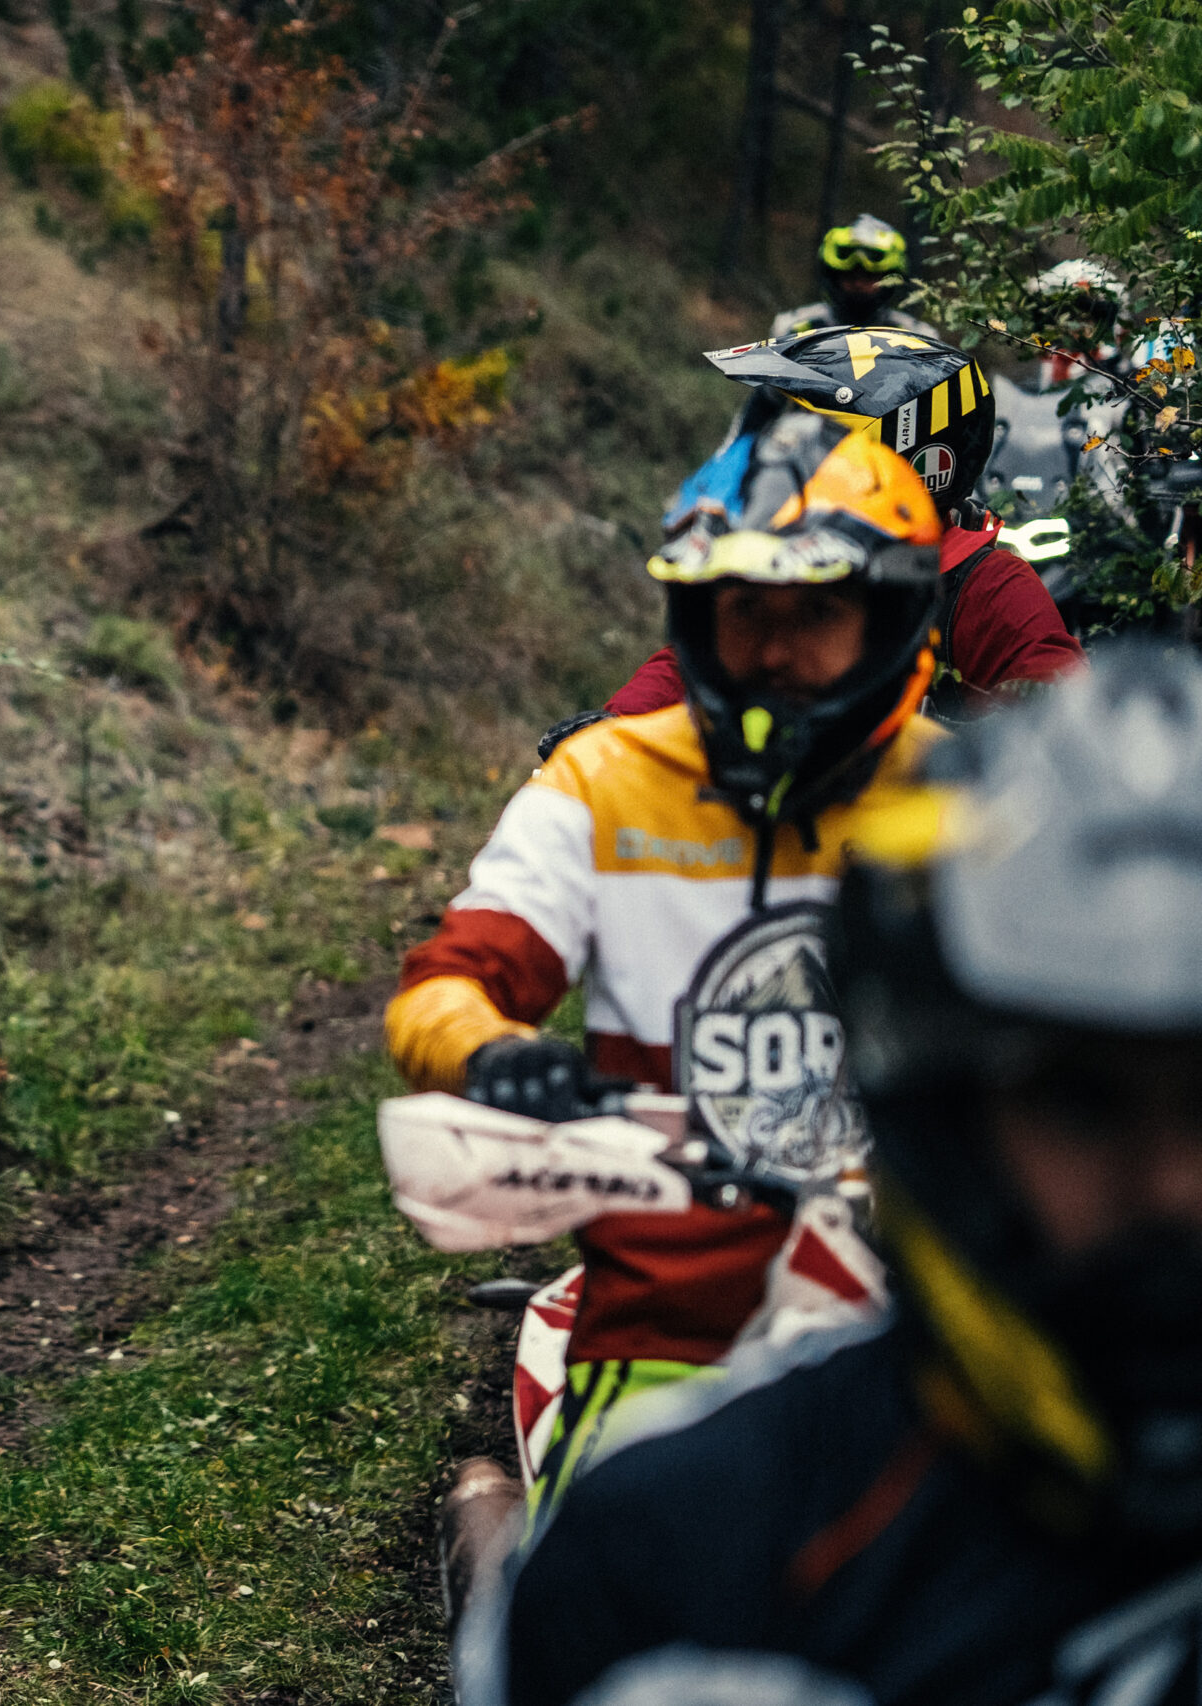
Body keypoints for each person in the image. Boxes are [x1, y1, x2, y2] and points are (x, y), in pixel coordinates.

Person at [481, 644, 1202, 1706]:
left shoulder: (950, 666)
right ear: (949, 1122)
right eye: (1082, 1102)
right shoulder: (676, 1557)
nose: (1177, 1189)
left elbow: (1044, 663)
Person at [388, 411, 951, 1597]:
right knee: (611, 1609)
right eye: (742, 611)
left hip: (935, 1320)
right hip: (667, 1318)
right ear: (693, 617)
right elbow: (447, 980)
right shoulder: (602, 781)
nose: (772, 652)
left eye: (813, 613)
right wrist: (493, 1054)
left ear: (890, 618)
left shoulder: (966, 797)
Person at [600, 326, 1080, 729]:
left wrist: (963, 751)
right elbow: (691, 664)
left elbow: (1067, 720)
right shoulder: (780, 549)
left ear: (915, 455)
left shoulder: (985, 587)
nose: (799, 454)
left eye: (828, 437)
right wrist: (608, 729)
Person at [768, 215, 940, 342]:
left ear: (890, 280)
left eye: (869, 277)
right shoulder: (794, 329)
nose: (858, 284)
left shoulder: (917, 337)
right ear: (833, 276)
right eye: (850, 276)